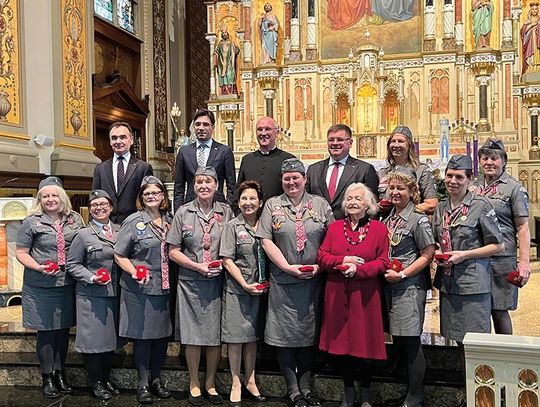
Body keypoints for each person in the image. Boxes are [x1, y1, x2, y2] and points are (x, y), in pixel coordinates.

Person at [256, 158, 334, 407]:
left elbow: (332, 240)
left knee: (308, 334)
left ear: (305, 178)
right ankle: (292, 388)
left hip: (313, 281)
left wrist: (320, 266)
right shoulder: (272, 205)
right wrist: (287, 267)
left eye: (296, 177)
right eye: (287, 178)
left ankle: (306, 386)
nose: (291, 182)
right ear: (282, 180)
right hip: (283, 281)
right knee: (285, 335)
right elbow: (266, 240)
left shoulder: (320, 204)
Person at [432, 155, 503, 406]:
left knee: (477, 343)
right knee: (459, 343)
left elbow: (498, 244)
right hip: (450, 284)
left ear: (469, 179)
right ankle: (467, 390)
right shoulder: (441, 207)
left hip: (473, 284)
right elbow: (437, 239)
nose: (453, 181)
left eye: (459, 177)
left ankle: (485, 395)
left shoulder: (481, 206)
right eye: (449, 176)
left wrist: (465, 254)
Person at [317, 183, 390, 407]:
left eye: (358, 198)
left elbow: (383, 261)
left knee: (365, 345)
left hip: (365, 295)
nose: (352, 202)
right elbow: (322, 256)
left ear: (368, 204)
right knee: (342, 347)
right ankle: (348, 391)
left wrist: (359, 270)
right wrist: (341, 261)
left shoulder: (379, 229)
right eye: (349, 198)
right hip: (337, 294)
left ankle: (365, 393)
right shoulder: (335, 227)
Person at [168, 166, 234, 406]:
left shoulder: (226, 212)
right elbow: (173, 251)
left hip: (217, 282)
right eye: (199, 182)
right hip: (190, 283)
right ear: (193, 186)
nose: (204, 186)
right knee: (193, 336)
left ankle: (211, 383)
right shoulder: (183, 213)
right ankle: (194, 382)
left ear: (217, 186)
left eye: (208, 182)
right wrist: (197, 267)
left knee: (214, 336)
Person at [15, 176, 84, 398]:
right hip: (40, 286)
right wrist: (38, 267)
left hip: (66, 284)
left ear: (62, 197)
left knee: (63, 331)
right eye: (46, 196)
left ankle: (60, 372)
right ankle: (47, 375)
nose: (50, 199)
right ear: (40, 199)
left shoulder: (74, 219)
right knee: (46, 331)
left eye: (54, 195)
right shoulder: (31, 221)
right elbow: (21, 252)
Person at [114, 176, 173, 404]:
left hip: (164, 286)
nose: (151, 197)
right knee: (143, 337)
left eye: (156, 193)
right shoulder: (133, 221)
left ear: (163, 197)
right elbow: (119, 255)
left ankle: (157, 379)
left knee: (160, 337)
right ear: (141, 198)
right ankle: (142, 383)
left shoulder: (170, 220)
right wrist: (133, 272)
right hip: (139, 288)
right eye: (147, 193)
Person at [382, 171, 435, 407]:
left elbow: (428, 253)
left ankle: (415, 396)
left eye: (400, 188)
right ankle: (405, 388)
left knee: (412, 341)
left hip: (409, 286)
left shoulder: (418, 218)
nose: (395, 192)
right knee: (400, 339)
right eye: (391, 188)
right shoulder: (388, 219)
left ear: (412, 192)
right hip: (390, 286)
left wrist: (403, 273)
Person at [66, 190, 123, 400]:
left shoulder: (120, 230)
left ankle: (106, 378)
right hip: (91, 295)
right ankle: (96, 381)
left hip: (114, 294)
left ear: (110, 207)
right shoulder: (83, 234)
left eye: (103, 204)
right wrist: (91, 278)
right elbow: (72, 264)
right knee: (93, 341)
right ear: (90, 210)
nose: (99, 208)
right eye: (94, 205)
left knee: (109, 340)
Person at [472, 139, 531, 334]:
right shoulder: (473, 186)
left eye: (494, 158)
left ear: (503, 161)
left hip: (501, 259)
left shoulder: (514, 188)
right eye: (485, 158)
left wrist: (524, 262)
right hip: (477, 257)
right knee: (478, 309)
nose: (489, 162)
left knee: (499, 310)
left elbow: (522, 227)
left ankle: (504, 358)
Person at [220, 180, 268, 406]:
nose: (248, 203)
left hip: (261, 289)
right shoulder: (232, 226)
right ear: (238, 203)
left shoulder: (267, 225)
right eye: (243, 199)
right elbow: (227, 261)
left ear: (260, 203)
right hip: (238, 290)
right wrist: (245, 285)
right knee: (236, 339)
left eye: (252, 199)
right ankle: (235, 381)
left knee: (252, 338)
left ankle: (251, 379)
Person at [306, 124, 379, 219]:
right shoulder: (313, 170)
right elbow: (306, 201)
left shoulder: (364, 169)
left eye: (340, 139)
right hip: (318, 229)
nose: (335, 143)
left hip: (351, 228)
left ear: (350, 142)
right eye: (331, 140)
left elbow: (372, 206)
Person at [174, 109, 236, 211]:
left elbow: (231, 186)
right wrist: (179, 212)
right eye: (198, 124)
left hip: (217, 208)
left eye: (206, 124)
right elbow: (179, 187)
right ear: (194, 127)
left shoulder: (224, 151)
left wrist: (227, 209)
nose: (201, 128)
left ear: (213, 127)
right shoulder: (184, 152)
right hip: (190, 209)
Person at [92, 121, 154, 224]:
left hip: (136, 225)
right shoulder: (100, 168)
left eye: (123, 137)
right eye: (114, 138)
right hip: (107, 225)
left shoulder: (143, 168)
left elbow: (147, 200)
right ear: (110, 142)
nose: (118, 141)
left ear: (131, 140)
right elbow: (94, 199)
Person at [378, 126, 438, 214]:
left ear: (409, 145)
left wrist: (403, 213)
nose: (396, 145)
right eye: (393, 141)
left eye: (401, 141)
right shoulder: (382, 173)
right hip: (386, 221)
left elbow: (432, 204)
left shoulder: (422, 170)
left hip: (412, 222)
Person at [236, 116, 296, 203]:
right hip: (251, 214)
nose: (263, 133)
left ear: (277, 132)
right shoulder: (247, 160)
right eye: (259, 129)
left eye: (268, 129)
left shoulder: (288, 159)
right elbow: (239, 189)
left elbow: (294, 190)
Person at [214, 29, 240, 95]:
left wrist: (236, 47)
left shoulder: (231, 43)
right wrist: (215, 61)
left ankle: (231, 90)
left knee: (230, 75)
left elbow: (236, 51)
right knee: (224, 77)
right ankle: (225, 90)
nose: (225, 35)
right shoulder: (219, 44)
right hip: (222, 63)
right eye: (223, 34)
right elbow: (216, 53)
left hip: (229, 63)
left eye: (226, 34)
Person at [520, 2, 540, 74]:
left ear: (538, 10)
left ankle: (538, 68)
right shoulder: (528, 21)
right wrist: (531, 25)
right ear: (530, 11)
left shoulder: (539, 19)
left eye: (536, 9)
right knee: (531, 55)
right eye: (533, 9)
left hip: (538, 41)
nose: (534, 11)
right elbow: (522, 32)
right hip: (530, 42)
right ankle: (530, 68)